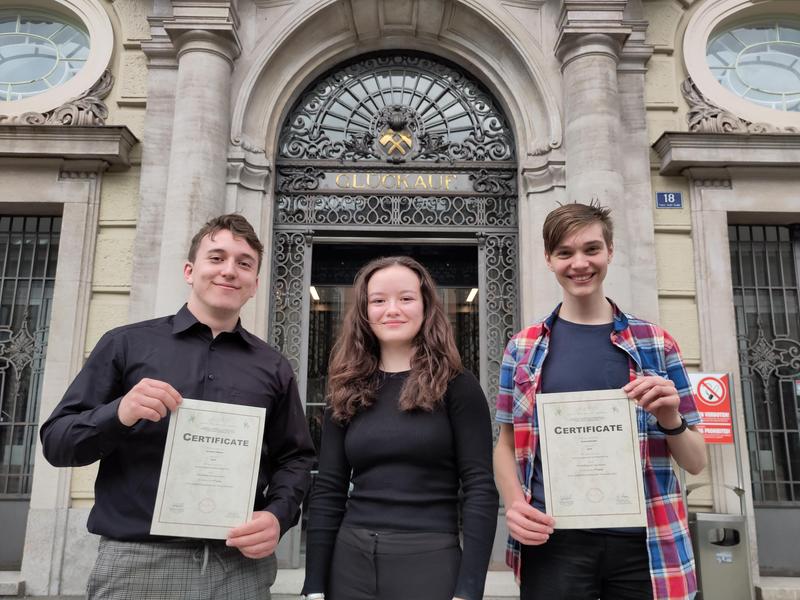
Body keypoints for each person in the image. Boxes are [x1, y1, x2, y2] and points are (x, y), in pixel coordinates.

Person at [40, 213, 316, 599]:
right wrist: (119, 412)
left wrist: (278, 515)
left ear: (255, 284)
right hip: (138, 563)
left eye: (244, 263)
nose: (229, 271)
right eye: (216, 258)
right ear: (190, 270)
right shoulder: (125, 344)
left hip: (238, 567)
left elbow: (295, 458)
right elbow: (57, 442)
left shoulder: (273, 365)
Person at [493, 202, 706, 600]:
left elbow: (695, 461)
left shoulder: (656, 344)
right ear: (548, 259)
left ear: (610, 251)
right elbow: (505, 445)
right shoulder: (521, 348)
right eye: (565, 253)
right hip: (553, 541)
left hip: (645, 543)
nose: (580, 263)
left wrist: (671, 417)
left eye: (591, 249)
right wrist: (513, 504)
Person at [300, 256, 499, 600]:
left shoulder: (458, 386)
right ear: (364, 311)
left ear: (425, 307)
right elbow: (330, 489)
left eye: (406, 298)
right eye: (378, 300)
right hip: (350, 565)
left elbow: (480, 489)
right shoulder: (345, 387)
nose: (392, 309)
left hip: (430, 562)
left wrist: (469, 590)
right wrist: (314, 586)